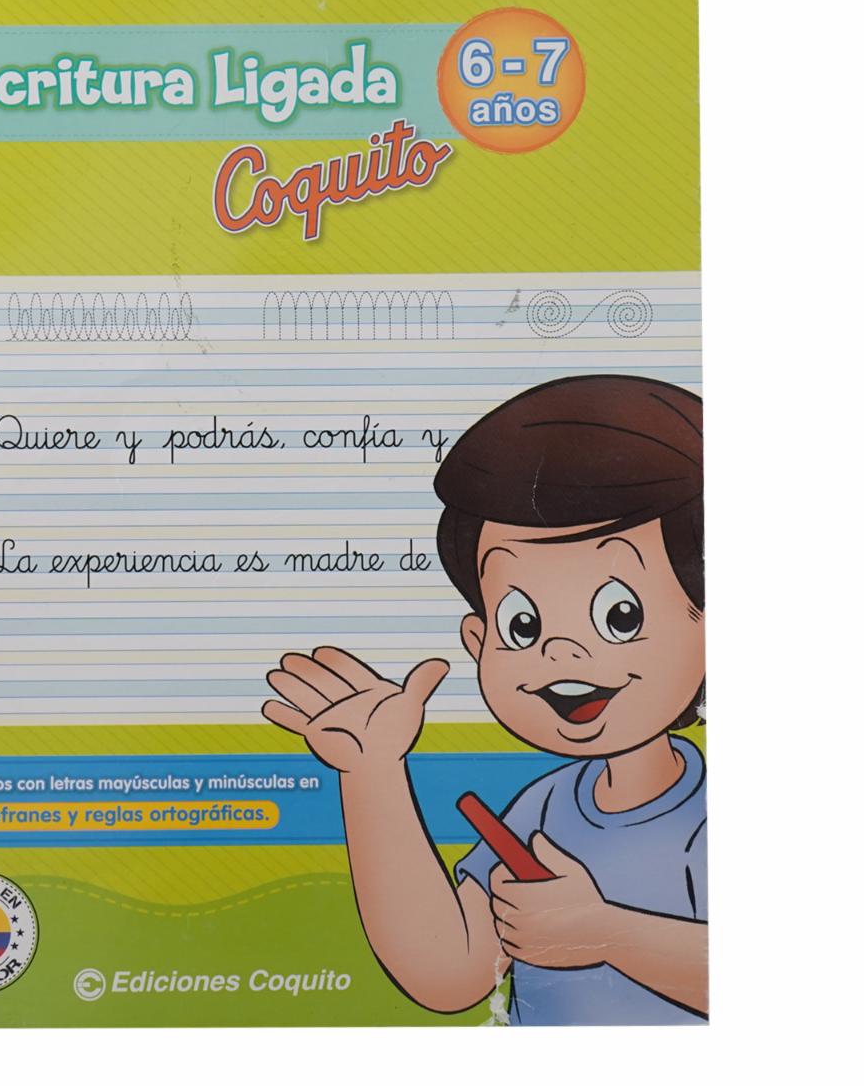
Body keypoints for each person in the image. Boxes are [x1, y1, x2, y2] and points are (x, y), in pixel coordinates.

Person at [263, 375, 707, 1024]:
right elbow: (452, 974)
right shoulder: (543, 809)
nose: (561, 653)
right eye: (522, 625)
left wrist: (607, 933)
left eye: (620, 616)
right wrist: (373, 775)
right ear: (478, 640)